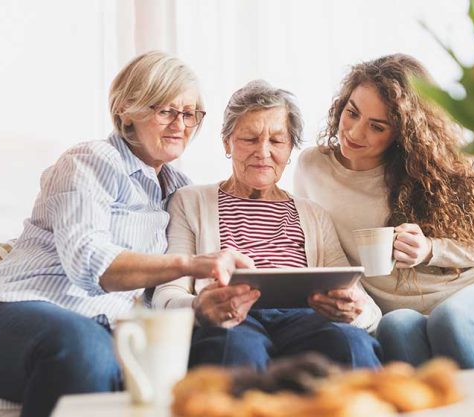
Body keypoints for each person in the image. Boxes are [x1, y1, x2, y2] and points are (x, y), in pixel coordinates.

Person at [0, 51, 252, 417]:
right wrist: (190, 264)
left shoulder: (180, 192)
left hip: (108, 331)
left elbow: (165, 294)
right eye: (165, 111)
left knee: (226, 347)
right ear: (127, 110)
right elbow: (89, 263)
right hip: (16, 314)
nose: (180, 124)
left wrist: (204, 303)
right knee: (86, 348)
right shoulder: (89, 161)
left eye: (189, 113)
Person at [294, 54, 474, 369]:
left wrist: (429, 250)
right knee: (394, 328)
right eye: (351, 113)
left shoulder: (431, 170)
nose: (354, 132)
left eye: (377, 127)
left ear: (402, 132)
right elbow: (314, 248)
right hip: (404, 311)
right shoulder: (312, 167)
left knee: (450, 320)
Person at [153, 80, 382, 370]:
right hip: (233, 321)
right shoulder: (190, 201)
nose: (263, 152)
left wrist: (355, 311)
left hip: (306, 319)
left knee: (351, 345)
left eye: (276, 141)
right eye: (250, 139)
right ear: (227, 142)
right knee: (234, 350)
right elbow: (166, 295)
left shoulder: (314, 214)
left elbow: (363, 303)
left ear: (290, 149)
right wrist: (200, 308)